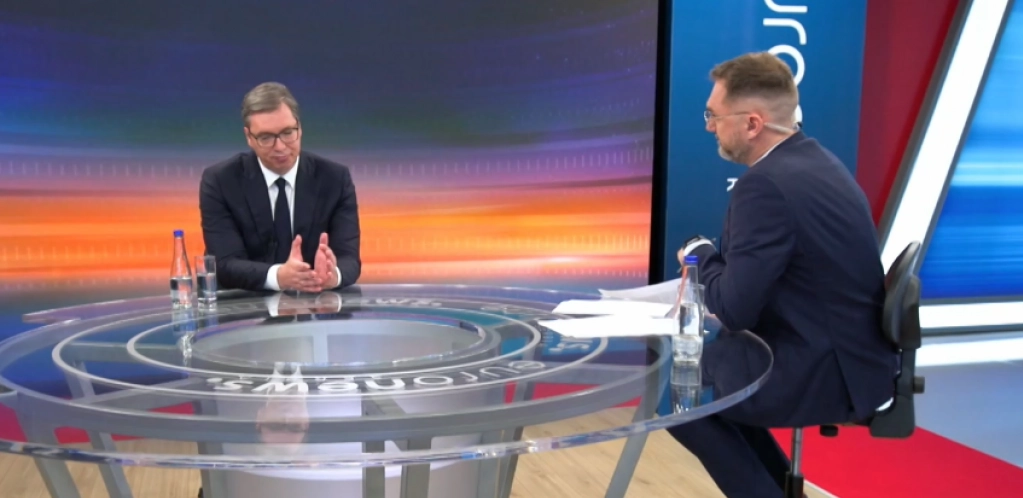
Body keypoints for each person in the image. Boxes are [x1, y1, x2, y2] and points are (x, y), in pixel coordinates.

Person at [668, 52, 897, 497]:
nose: (709, 127)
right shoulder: (814, 159)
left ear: (752, 124)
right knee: (705, 378)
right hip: (851, 355)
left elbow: (734, 309)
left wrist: (698, 255)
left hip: (826, 366)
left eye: (714, 116)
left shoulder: (766, 186)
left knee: (679, 395)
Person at [199, 82, 361, 292]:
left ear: (299, 128)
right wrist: (278, 276)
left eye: (287, 132)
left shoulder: (334, 179)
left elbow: (350, 259)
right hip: (243, 303)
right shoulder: (221, 181)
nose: (280, 146)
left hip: (312, 303)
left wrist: (333, 275)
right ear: (249, 137)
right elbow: (225, 264)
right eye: (266, 137)